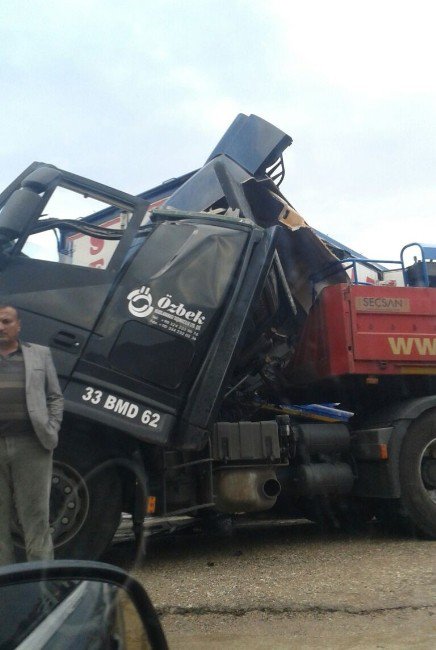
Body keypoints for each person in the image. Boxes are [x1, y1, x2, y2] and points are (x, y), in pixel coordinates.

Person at [0, 304, 64, 565]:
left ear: (19, 325)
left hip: (32, 446)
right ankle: (5, 593)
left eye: (6, 321)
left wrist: (52, 428)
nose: (0, 327)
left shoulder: (39, 355)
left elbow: (55, 396)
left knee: (36, 519)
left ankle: (40, 589)